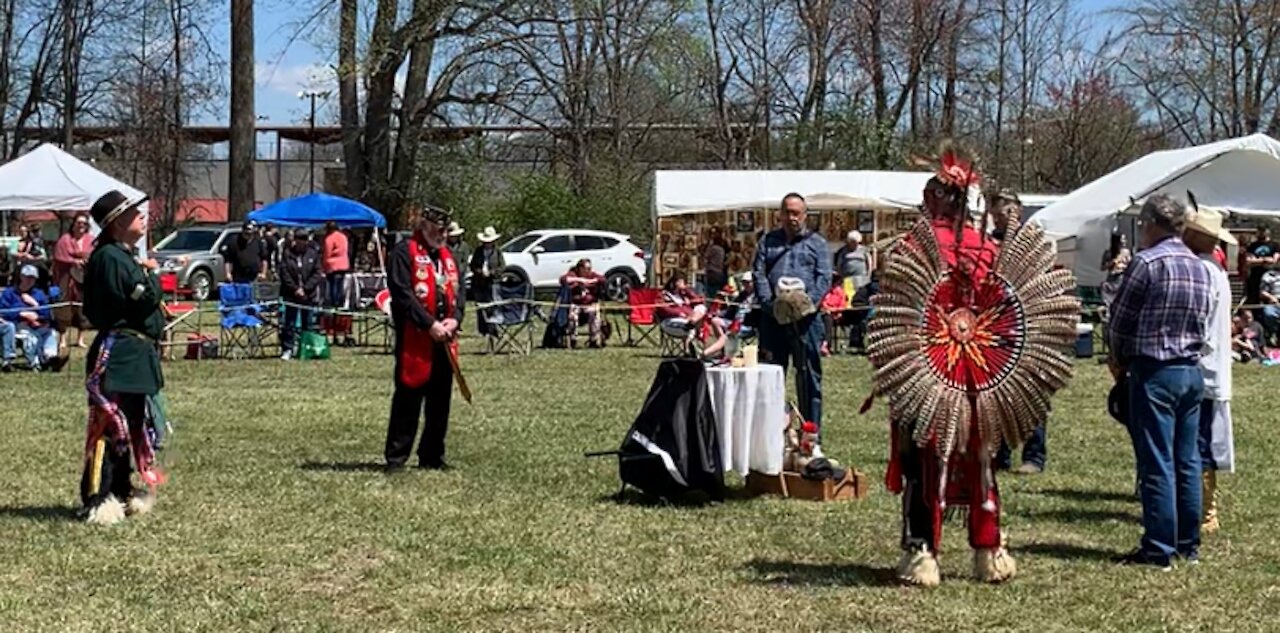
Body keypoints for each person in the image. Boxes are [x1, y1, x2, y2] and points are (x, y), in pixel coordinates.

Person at [1108, 194, 1210, 570]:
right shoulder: (1200, 267)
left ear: (1150, 224)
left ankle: (1158, 548)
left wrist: (1116, 358)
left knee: (1157, 462)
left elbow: (1120, 319)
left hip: (1155, 370)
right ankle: (1189, 544)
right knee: (1187, 460)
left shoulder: (1146, 262)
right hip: (1191, 371)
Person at [80, 190, 167, 525]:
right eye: (134, 213)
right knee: (108, 424)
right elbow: (141, 299)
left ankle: (121, 490)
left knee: (129, 426)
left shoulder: (120, 255)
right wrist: (153, 276)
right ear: (117, 223)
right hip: (117, 354)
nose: (142, 217)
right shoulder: (111, 258)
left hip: (132, 353)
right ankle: (98, 498)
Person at [385, 207, 463, 472]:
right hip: (415, 337)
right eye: (438, 230)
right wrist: (429, 324)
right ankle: (396, 458)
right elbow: (402, 294)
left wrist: (455, 319)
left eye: (445, 230)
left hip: (445, 339)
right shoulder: (404, 253)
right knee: (408, 399)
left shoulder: (447, 257)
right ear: (425, 226)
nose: (443, 235)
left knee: (440, 401)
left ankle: (431, 455)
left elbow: (459, 292)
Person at [752, 193, 829, 445]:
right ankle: (772, 435)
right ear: (780, 214)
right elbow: (759, 274)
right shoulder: (767, 242)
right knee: (771, 376)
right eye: (787, 212)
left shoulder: (817, 243)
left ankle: (811, 434)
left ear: (805, 215)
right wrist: (768, 304)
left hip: (807, 321)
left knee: (808, 376)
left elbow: (824, 277)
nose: (792, 217)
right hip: (772, 319)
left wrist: (807, 306)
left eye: (796, 213)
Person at [1182, 208, 1236, 534]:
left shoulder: (1202, 269)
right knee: (1202, 439)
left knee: (1198, 441)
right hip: (1210, 367)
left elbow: (1197, 322)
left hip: (1201, 368)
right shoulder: (1214, 268)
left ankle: (1205, 512)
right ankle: (1204, 508)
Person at [0, 265, 63, 371]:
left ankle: (51, 357)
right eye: (28, 277)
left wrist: (35, 304)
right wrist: (21, 313)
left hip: (36, 324)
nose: (30, 281)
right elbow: (3, 312)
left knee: (50, 332)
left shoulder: (39, 294)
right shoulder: (9, 293)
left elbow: (47, 313)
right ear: (21, 277)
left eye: (33, 278)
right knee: (30, 336)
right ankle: (37, 362)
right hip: (18, 325)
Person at [278, 229, 324, 360]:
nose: (301, 242)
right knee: (290, 323)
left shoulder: (313, 254)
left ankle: (306, 348)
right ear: (295, 240)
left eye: (304, 239)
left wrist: (305, 289)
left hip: (308, 295)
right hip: (291, 294)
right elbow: (284, 273)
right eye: (299, 238)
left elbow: (317, 273)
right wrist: (295, 289)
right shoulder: (287, 254)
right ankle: (288, 349)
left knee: (307, 323)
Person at [52, 212, 95, 348]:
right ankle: (63, 338)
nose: (81, 225)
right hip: (66, 277)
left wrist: (86, 261)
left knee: (82, 307)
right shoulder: (65, 239)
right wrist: (74, 261)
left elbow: (95, 255)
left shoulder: (91, 240)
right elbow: (58, 257)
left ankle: (80, 339)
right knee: (64, 305)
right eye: (78, 223)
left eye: (84, 223)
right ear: (73, 224)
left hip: (84, 278)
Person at [560, 258, 605, 348]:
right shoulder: (573, 274)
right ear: (580, 268)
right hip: (576, 303)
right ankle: (573, 339)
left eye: (590, 268)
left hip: (589, 304)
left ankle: (593, 340)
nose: (589, 270)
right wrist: (579, 280)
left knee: (594, 313)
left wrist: (591, 281)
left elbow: (602, 279)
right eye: (587, 268)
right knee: (573, 315)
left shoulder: (592, 275)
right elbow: (563, 279)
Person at [470, 226, 505, 337]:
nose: (488, 243)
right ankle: (483, 330)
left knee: (494, 306)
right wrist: (480, 272)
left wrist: (492, 273)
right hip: (479, 283)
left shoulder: (497, 252)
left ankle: (493, 329)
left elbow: (502, 266)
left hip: (493, 283)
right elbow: (473, 265)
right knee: (481, 307)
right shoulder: (478, 251)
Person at [1244, 226, 1278, 311]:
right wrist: (1264, 260)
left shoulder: (1275, 245)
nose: (1261, 233)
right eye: (1259, 231)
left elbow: (1274, 260)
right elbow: (1248, 261)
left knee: (1269, 299)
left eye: (1263, 231)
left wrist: (1257, 260)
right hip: (1254, 277)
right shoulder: (1252, 246)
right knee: (1253, 299)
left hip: (1271, 277)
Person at [1101, 233, 1132, 309]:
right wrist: (1112, 262)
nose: (1124, 241)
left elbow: (1131, 265)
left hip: (1121, 277)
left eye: (1125, 239)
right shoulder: (1108, 253)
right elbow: (1102, 267)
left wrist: (1124, 266)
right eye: (1122, 239)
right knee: (1109, 299)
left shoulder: (1126, 252)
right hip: (1111, 278)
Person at [703, 228, 728, 295]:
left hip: (712, 272)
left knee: (711, 293)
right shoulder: (722, 249)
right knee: (718, 292)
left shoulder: (713, 248)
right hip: (720, 272)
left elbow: (706, 256)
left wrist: (709, 245)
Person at [446, 222, 470, 293]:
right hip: (447, 276)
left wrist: (457, 271)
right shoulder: (444, 246)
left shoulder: (464, 246)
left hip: (460, 277)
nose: (453, 237)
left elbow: (465, 261)